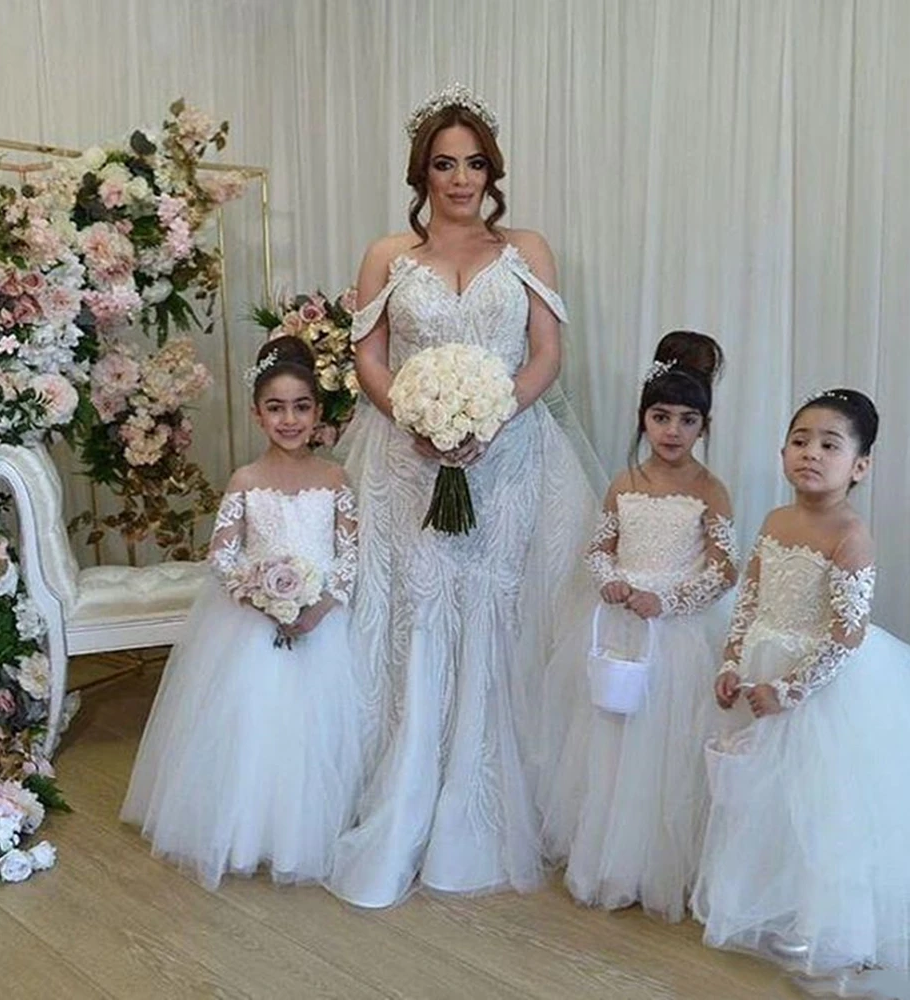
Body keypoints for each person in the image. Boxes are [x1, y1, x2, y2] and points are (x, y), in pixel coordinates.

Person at [327, 83, 598, 908]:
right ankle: (402, 786)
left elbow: (546, 354)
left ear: (493, 170)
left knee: (502, 608)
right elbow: (369, 358)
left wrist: (491, 417)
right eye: (444, 164)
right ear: (422, 173)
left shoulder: (527, 249)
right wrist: (411, 415)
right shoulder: (386, 255)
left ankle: (490, 797)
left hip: (511, 456)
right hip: (405, 460)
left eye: (474, 163)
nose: (460, 179)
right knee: (414, 605)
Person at [692, 389, 910, 999]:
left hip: (825, 686)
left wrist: (788, 689)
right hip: (766, 663)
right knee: (766, 800)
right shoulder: (773, 521)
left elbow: (846, 636)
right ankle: (782, 913)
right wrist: (733, 660)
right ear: (782, 452)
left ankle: (833, 931)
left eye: (829, 444)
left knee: (827, 810)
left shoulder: (851, 534)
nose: (810, 454)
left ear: (860, 465)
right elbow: (749, 600)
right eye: (799, 441)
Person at [121, 336, 363, 890]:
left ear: (318, 413)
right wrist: (262, 595)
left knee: (315, 734)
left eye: (301, 406)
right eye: (275, 408)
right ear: (257, 414)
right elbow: (222, 557)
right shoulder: (246, 481)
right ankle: (247, 833)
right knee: (253, 727)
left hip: (323, 625)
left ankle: (307, 833)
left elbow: (349, 556)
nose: (289, 418)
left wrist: (319, 605)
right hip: (254, 628)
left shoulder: (335, 481)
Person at [537, 331, 736, 917]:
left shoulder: (710, 491)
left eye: (687, 420)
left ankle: (659, 865)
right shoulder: (624, 483)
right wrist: (611, 580)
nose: (673, 431)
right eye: (660, 417)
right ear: (643, 420)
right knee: (611, 745)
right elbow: (600, 548)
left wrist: (669, 602)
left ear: (704, 426)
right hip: (620, 630)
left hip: (675, 639)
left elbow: (724, 569)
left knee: (666, 749)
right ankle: (607, 857)